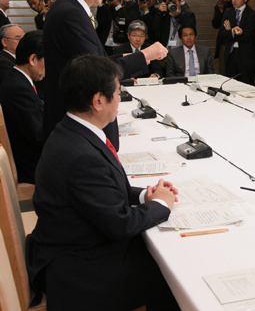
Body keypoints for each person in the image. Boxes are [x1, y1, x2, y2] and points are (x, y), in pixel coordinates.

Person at [26, 54, 180, 311]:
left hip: (70, 244)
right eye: (118, 93)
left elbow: (103, 190)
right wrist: (162, 206)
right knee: (171, 274)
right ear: (98, 101)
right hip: (78, 269)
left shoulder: (72, 130)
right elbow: (120, 225)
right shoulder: (82, 155)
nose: (120, 100)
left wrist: (146, 196)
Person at [43, 0, 168, 149]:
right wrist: (144, 54)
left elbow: (87, 60)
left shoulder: (69, 8)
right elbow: (92, 71)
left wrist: (128, 58)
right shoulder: (70, 13)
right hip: (79, 123)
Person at [0, 31, 45, 184]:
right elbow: (38, 136)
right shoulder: (17, 88)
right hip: (32, 165)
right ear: (33, 59)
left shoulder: (19, 80)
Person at [217, 0, 255, 85]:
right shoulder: (228, 12)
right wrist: (232, 31)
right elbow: (222, 33)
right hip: (231, 56)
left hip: (246, 57)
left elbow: (247, 36)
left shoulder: (252, 14)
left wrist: (230, 31)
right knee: (231, 86)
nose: (234, 0)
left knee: (247, 87)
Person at [209, 0, 232, 74]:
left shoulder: (234, 3)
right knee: (224, 71)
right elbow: (216, 24)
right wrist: (220, 10)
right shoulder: (219, 5)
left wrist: (230, 1)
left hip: (235, 40)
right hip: (224, 43)